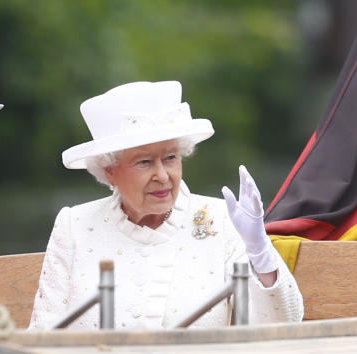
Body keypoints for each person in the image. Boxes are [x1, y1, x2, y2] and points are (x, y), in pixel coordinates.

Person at [29, 81, 304, 330]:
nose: (162, 175)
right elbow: (42, 336)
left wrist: (260, 251)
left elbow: (280, 325)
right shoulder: (74, 225)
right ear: (109, 171)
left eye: (171, 157)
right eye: (144, 162)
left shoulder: (221, 219)